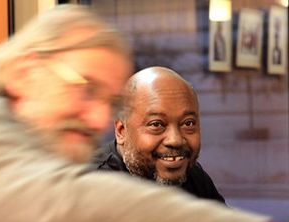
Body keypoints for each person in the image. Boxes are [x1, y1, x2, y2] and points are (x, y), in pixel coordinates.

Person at [0, 4, 287, 222]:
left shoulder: (20, 147)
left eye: (107, 100)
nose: (99, 117)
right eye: (85, 88)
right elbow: (71, 205)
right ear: (27, 71)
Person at [91, 66, 225, 204]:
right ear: (121, 131)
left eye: (188, 123)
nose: (176, 140)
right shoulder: (94, 187)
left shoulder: (193, 176)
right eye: (156, 124)